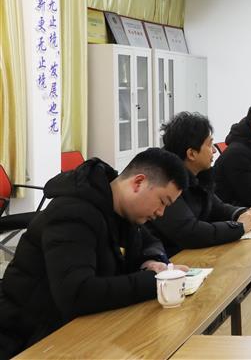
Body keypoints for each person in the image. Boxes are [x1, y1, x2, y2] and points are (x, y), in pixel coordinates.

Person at [0, 148, 189, 358]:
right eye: (162, 201)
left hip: (74, 331)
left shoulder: (120, 208)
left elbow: (149, 242)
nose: (161, 213)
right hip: (28, 339)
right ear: (138, 183)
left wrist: (152, 260)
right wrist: (155, 282)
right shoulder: (73, 214)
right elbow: (77, 294)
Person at [148, 112, 251, 256]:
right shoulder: (166, 181)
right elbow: (189, 232)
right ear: (191, 154)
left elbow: (217, 207)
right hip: (173, 260)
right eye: (209, 144)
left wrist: (243, 213)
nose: (214, 150)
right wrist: (239, 227)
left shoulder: (199, 175)